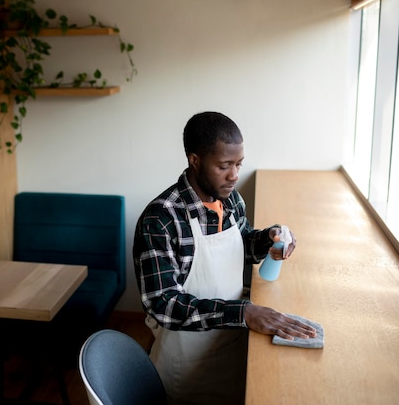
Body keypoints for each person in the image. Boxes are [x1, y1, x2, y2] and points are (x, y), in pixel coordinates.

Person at [133, 111, 317, 405]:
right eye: (224, 166)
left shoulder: (230, 199)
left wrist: (268, 239)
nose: (234, 175)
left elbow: (241, 244)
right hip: (187, 368)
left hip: (232, 348)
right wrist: (242, 312)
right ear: (195, 160)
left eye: (239, 164)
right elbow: (163, 305)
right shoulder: (161, 219)